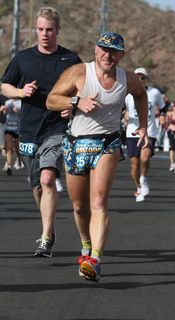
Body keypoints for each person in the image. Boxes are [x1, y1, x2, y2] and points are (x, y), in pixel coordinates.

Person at [46, 32, 148, 281]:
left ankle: (96, 258)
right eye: (103, 49)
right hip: (76, 145)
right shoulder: (80, 72)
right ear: (95, 50)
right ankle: (85, 245)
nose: (107, 55)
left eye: (113, 51)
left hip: (108, 145)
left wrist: (143, 125)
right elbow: (51, 100)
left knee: (99, 202)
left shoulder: (128, 79)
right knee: (80, 206)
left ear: (121, 55)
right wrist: (76, 101)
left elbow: (141, 95)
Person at [1, 6, 82, 257]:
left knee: (48, 179)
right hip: (28, 131)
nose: (44, 34)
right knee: (37, 186)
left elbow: (82, 90)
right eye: (40, 30)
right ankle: (48, 227)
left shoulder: (71, 60)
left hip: (57, 129)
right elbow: (5, 86)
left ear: (58, 30)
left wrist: (73, 107)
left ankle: (45, 238)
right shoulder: (23, 58)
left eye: (49, 30)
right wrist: (20, 92)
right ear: (35, 30)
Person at [124, 67, 166, 202]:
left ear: (146, 79)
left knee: (145, 158)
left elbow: (163, 108)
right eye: (137, 77)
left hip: (149, 131)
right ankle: (138, 187)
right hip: (132, 131)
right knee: (134, 163)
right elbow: (119, 107)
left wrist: (163, 116)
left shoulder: (154, 93)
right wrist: (123, 114)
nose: (139, 80)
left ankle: (143, 178)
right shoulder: (126, 93)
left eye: (142, 78)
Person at [1, 99, 23, 175]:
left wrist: (16, 110)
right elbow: (5, 114)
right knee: (9, 148)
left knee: (17, 149)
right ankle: (9, 166)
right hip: (9, 128)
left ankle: (19, 159)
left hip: (17, 128)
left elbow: (22, 114)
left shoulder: (20, 102)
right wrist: (4, 110)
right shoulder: (8, 102)